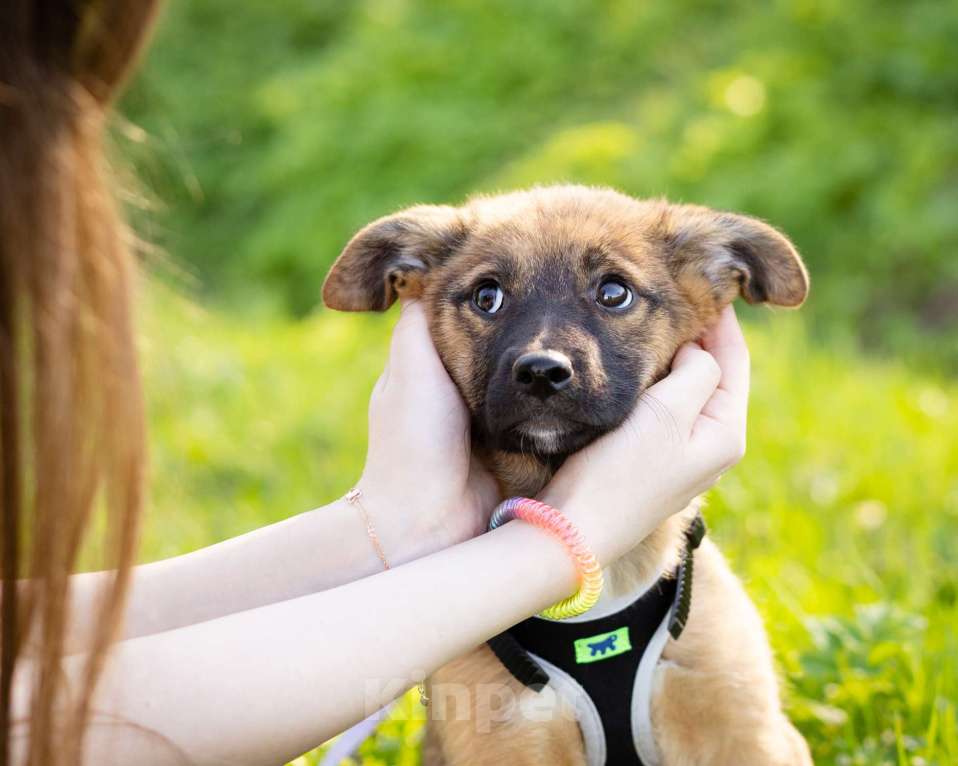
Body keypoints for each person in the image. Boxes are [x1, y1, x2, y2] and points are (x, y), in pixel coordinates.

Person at [0, 1, 749, 764]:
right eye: (488, 297)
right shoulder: (474, 644)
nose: (544, 355)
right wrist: (559, 542)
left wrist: (400, 526)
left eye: (613, 293)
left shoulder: (701, 606)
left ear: (709, 284)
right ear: (408, 283)